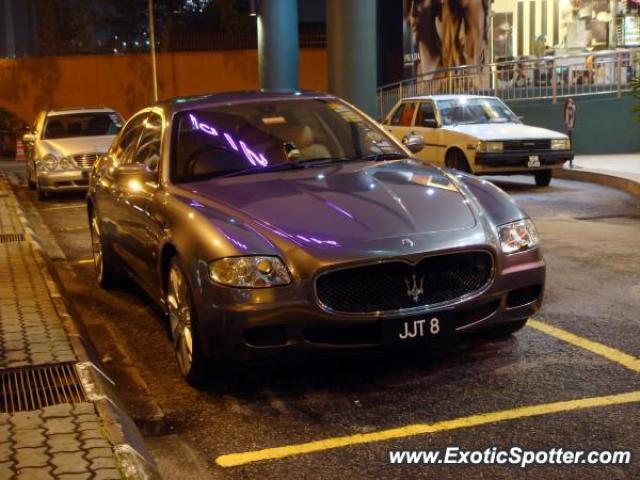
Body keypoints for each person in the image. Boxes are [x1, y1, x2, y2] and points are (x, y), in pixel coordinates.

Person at [564, 98, 576, 167]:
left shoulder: (573, 109)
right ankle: (570, 161)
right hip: (569, 127)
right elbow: (567, 119)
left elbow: (573, 118)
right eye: (569, 102)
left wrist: (571, 125)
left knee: (571, 143)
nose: (570, 103)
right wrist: (568, 125)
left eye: (571, 102)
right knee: (569, 143)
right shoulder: (567, 110)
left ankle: (571, 162)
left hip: (571, 126)